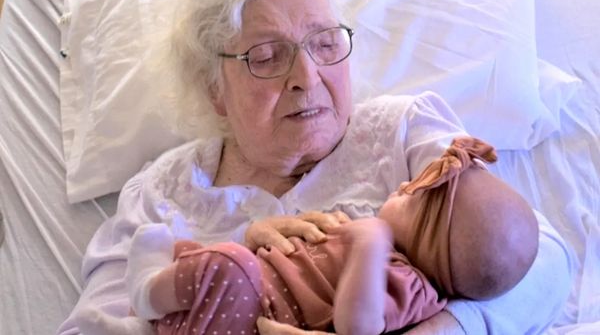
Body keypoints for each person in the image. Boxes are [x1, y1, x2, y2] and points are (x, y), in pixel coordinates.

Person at [58, 0, 572, 334]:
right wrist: (238, 256)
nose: (307, 75)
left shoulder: (403, 130)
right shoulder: (161, 191)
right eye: (266, 56)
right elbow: (91, 325)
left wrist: (444, 330)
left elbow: (541, 259)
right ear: (214, 90)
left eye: (325, 43)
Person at [120, 137, 536, 335]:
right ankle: (166, 298)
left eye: (413, 196)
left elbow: (358, 326)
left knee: (232, 265)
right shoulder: (389, 257)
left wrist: (369, 243)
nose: (403, 187)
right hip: (234, 301)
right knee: (221, 259)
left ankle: (147, 293)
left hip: (248, 317)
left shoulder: (410, 286)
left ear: (434, 241)